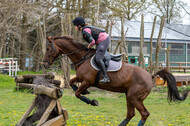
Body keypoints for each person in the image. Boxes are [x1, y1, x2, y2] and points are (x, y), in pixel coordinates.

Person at [72, 17, 110, 83]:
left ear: (79, 25)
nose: (75, 28)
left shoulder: (84, 31)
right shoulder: (85, 28)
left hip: (103, 40)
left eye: (75, 26)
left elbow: (92, 42)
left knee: (98, 58)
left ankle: (106, 77)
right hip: (102, 40)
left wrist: (88, 47)